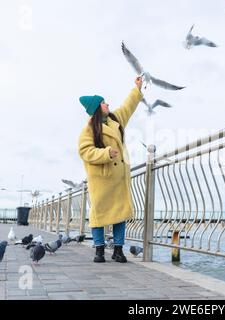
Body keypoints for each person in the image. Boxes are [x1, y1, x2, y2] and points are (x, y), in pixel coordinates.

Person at [78, 76, 143, 263]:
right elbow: (85, 151)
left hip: (118, 177)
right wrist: (106, 153)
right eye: (104, 103)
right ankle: (99, 250)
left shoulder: (115, 119)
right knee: (98, 214)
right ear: (98, 108)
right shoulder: (89, 129)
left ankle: (118, 250)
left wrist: (137, 88)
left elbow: (128, 106)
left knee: (120, 213)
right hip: (101, 178)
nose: (108, 104)